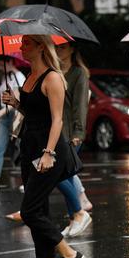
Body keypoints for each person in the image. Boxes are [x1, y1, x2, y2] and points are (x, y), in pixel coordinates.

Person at [2, 35, 85, 258]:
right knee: (39, 210)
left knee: (28, 211)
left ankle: (71, 254)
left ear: (40, 46)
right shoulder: (29, 77)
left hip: (49, 150)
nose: (22, 47)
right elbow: (34, 114)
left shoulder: (53, 77)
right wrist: (16, 103)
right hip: (29, 147)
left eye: (27, 43)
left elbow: (57, 120)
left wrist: (49, 153)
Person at [55, 41, 93, 237]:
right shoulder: (55, 71)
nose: (58, 50)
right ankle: (73, 218)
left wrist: (79, 133)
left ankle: (79, 213)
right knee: (66, 175)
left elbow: (81, 106)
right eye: (57, 47)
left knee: (57, 175)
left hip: (71, 134)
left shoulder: (79, 73)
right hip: (56, 132)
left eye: (61, 47)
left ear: (71, 49)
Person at [0, 53, 26, 191]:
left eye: (1, 64)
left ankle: (29, 180)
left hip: (16, 116)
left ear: (8, 61)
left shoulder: (19, 77)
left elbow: (16, 102)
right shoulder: (5, 77)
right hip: (5, 116)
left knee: (22, 150)